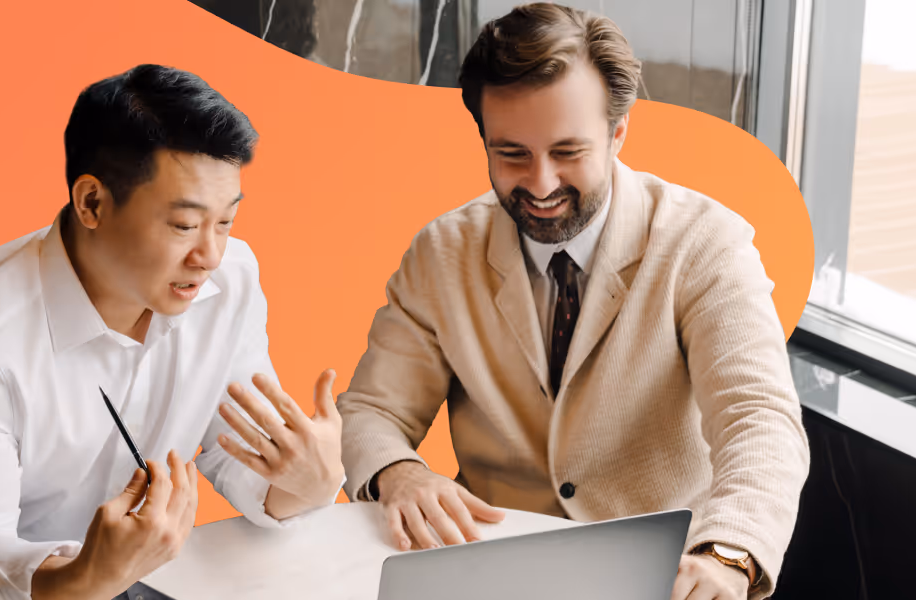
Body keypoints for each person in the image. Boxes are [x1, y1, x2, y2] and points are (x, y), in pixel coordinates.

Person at [336, 4, 810, 600]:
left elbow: (759, 421)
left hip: (667, 579)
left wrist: (727, 553)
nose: (539, 184)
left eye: (568, 152)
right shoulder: (441, 252)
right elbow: (372, 410)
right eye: (511, 154)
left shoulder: (704, 243)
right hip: (488, 573)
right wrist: (398, 473)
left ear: (618, 133)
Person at [0, 64, 345, 600]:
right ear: (92, 203)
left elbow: (231, 452)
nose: (211, 257)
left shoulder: (232, 279)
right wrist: (88, 578)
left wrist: (304, 484)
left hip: (157, 582)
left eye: (225, 221)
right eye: (183, 225)